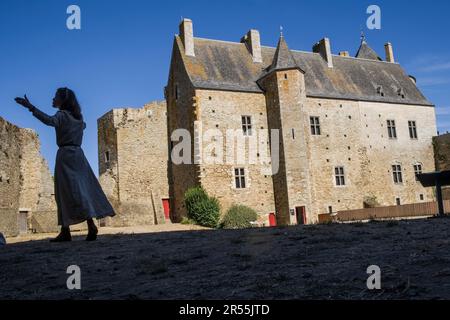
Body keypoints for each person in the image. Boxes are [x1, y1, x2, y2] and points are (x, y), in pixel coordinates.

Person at [14, 88, 115, 242]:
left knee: (63, 193)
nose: (52, 99)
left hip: (66, 155)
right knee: (82, 191)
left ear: (63, 100)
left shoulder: (61, 115)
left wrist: (31, 107)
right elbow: (84, 126)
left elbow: (49, 121)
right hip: (79, 155)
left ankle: (66, 231)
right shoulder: (78, 118)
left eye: (55, 97)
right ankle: (89, 225)